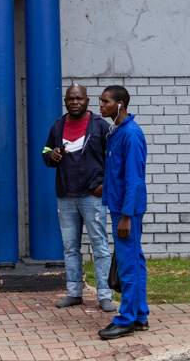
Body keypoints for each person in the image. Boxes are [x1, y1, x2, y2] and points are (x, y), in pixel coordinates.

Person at [43, 84, 115, 311]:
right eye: (70, 99)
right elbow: (46, 152)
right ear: (65, 101)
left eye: (79, 98)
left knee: (100, 246)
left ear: (87, 100)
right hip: (66, 196)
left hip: (92, 196)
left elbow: (114, 160)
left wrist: (104, 185)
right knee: (70, 248)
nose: (75, 102)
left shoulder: (101, 126)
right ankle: (74, 293)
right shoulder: (57, 126)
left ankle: (104, 295)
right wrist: (52, 155)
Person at [98, 85, 149, 340]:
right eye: (100, 101)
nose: (101, 106)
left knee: (128, 265)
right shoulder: (117, 132)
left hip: (126, 211)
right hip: (120, 207)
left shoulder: (131, 134)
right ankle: (140, 315)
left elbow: (134, 179)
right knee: (134, 260)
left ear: (120, 104)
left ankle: (125, 320)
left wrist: (126, 216)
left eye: (105, 102)